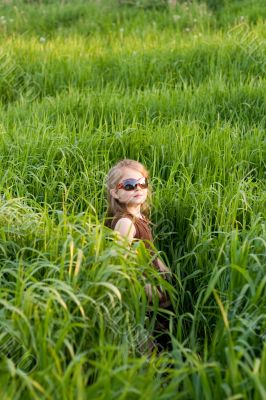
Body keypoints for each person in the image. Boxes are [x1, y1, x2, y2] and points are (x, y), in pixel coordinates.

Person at [105, 159, 174, 352]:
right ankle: (153, 367)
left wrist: (161, 265)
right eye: (128, 185)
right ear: (115, 192)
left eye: (142, 183)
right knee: (148, 333)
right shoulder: (125, 223)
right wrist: (143, 285)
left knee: (163, 331)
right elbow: (119, 263)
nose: (138, 188)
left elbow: (148, 248)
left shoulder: (140, 216)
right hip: (143, 291)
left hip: (155, 282)